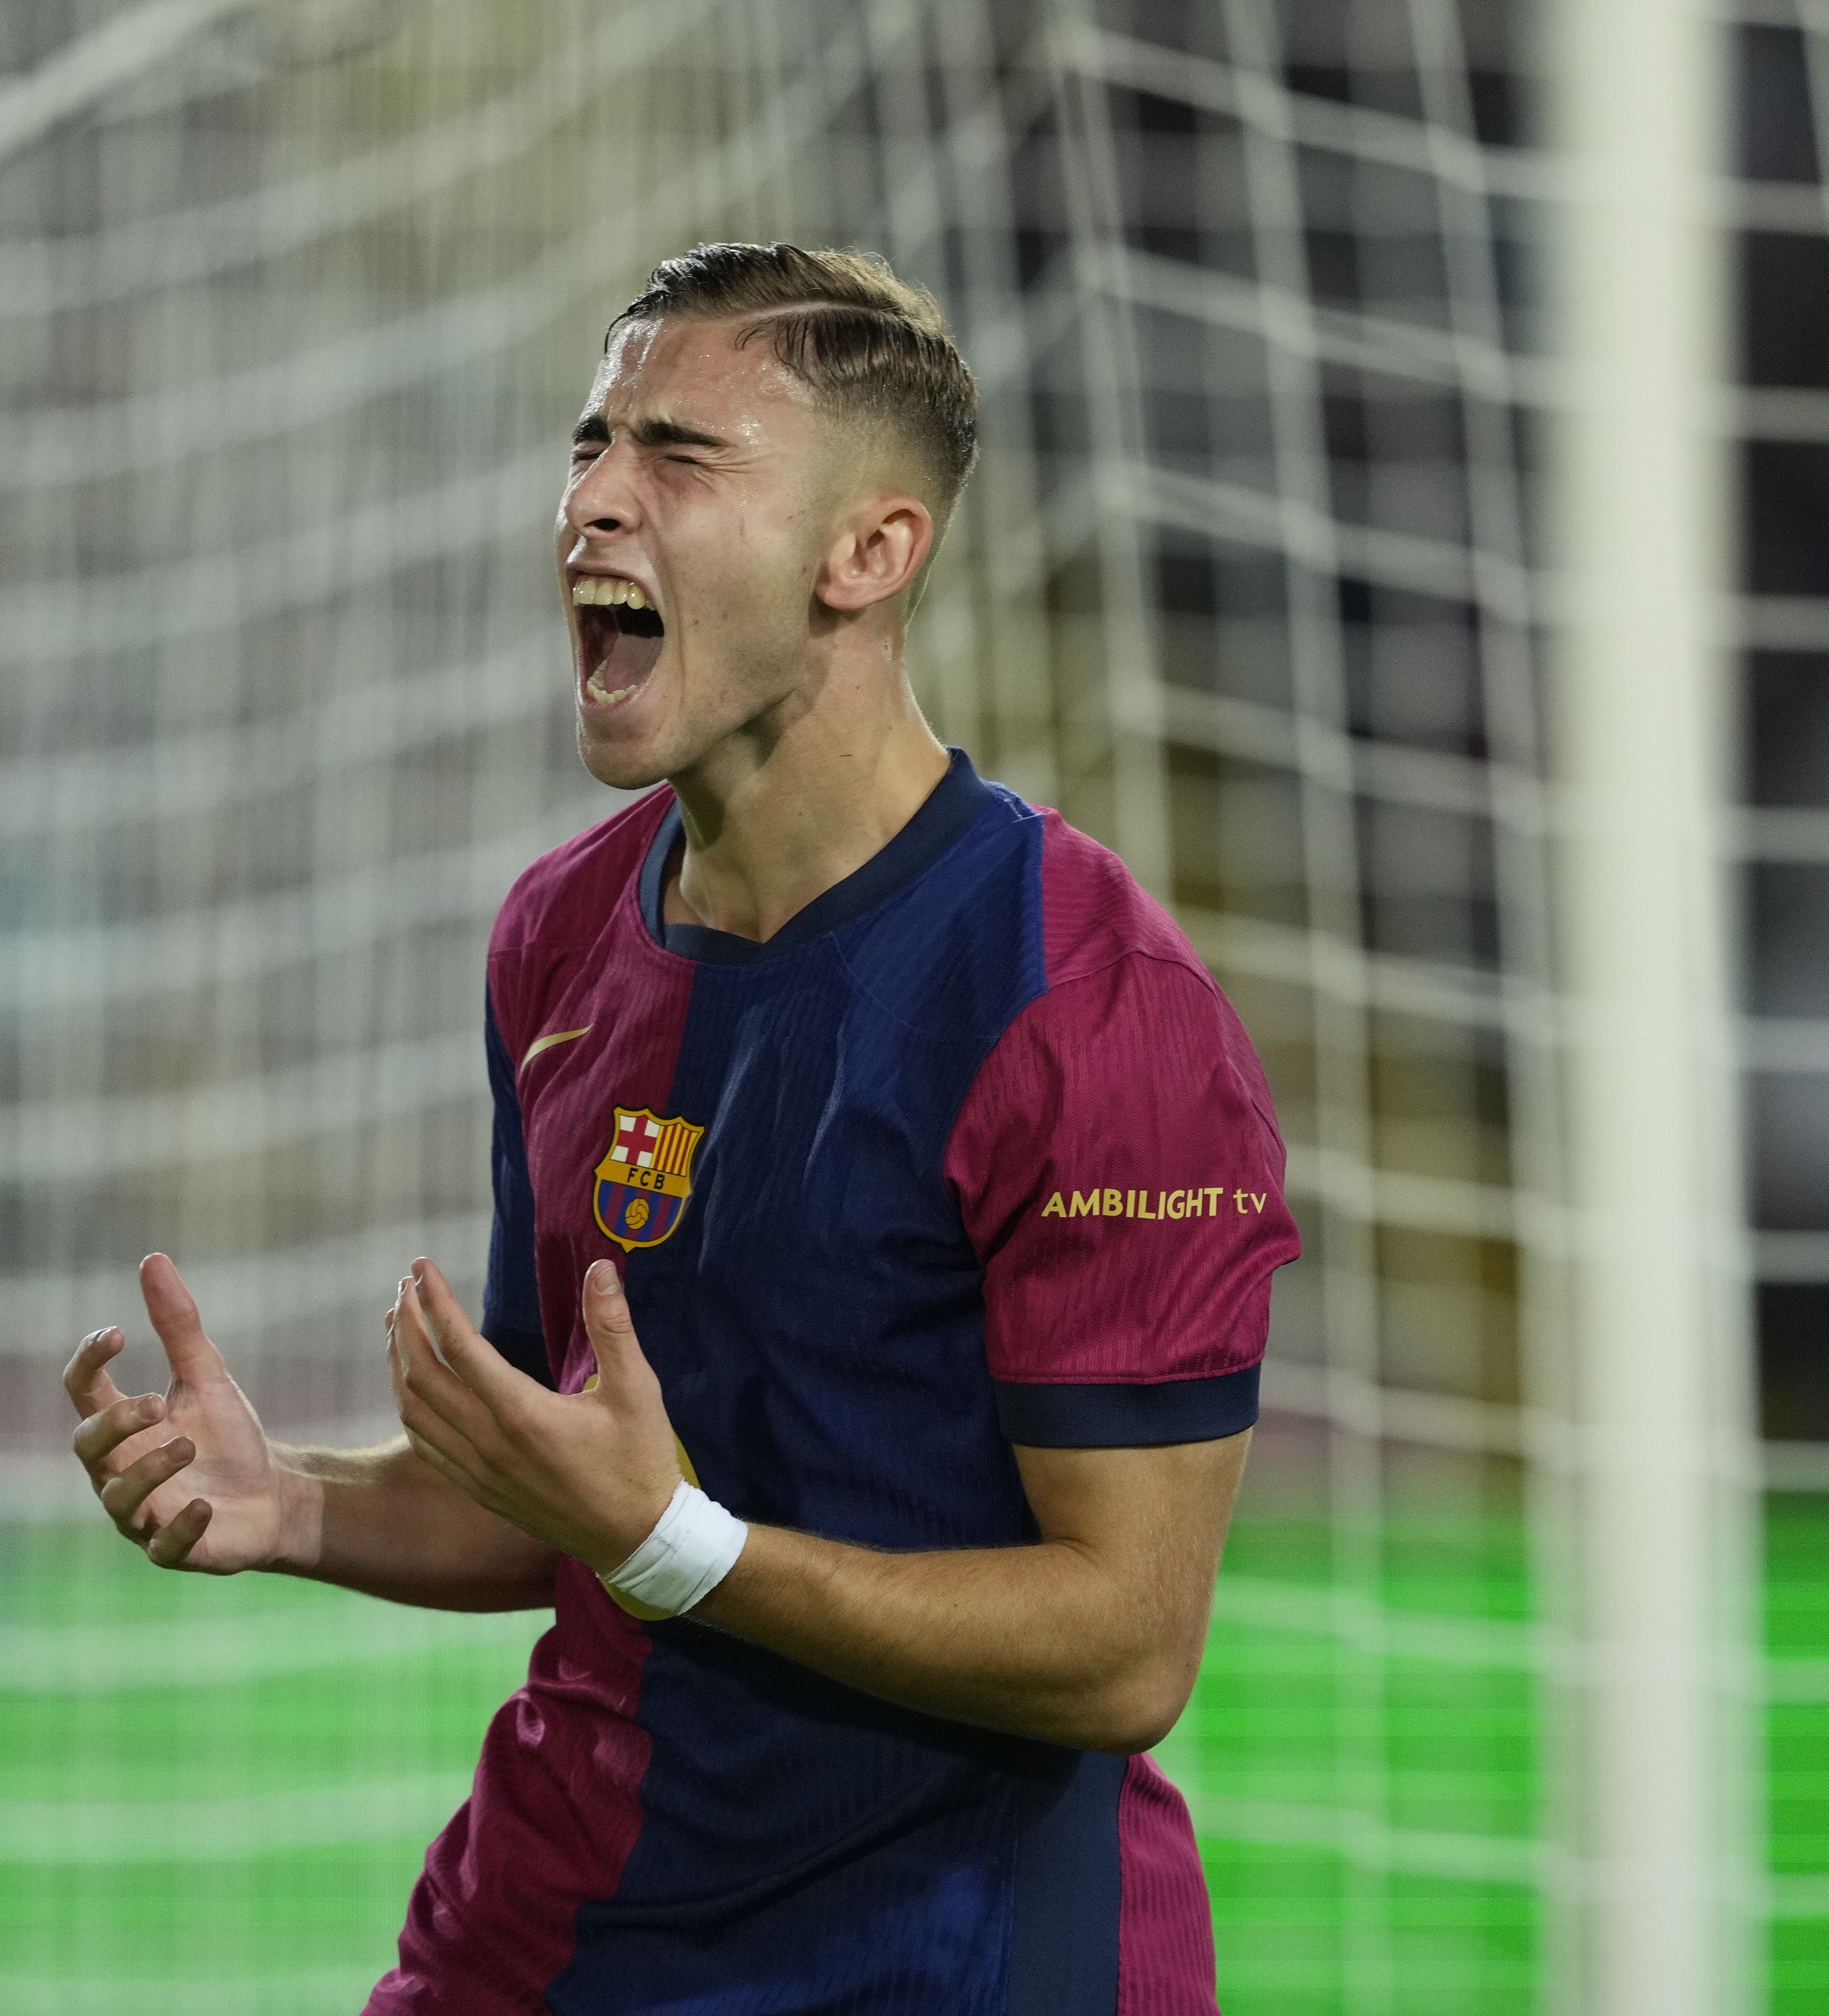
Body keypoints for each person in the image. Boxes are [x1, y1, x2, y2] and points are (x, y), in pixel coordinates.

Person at [66, 243, 1298, 2014]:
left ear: (869, 554)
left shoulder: (1091, 1009)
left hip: (950, 1956)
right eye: (588, 445)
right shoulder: (557, 938)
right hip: (560, 1927)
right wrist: (301, 1505)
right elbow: (561, 1498)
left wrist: (671, 1544)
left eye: (680, 454)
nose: (593, 503)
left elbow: (1125, 1649)